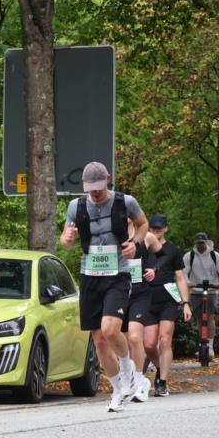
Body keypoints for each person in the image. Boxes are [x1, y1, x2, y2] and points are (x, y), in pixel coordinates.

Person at [59, 161, 149, 412]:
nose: (95, 193)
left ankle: (127, 367)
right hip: (90, 275)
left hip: (118, 274)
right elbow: (66, 241)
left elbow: (143, 224)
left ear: (108, 179)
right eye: (90, 189)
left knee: (111, 330)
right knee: (98, 341)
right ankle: (118, 390)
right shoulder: (76, 206)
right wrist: (67, 239)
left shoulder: (125, 202)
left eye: (98, 188)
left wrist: (135, 243)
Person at [143, 215, 193, 396]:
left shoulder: (172, 250)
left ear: (165, 229)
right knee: (148, 345)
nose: (156, 231)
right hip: (147, 298)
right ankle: (159, 367)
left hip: (168, 299)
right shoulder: (144, 248)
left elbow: (180, 278)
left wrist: (185, 303)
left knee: (164, 339)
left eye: (159, 228)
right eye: (153, 228)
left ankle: (162, 382)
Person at [123, 218, 160, 402]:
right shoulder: (111, 237)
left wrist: (154, 269)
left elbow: (163, 256)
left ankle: (138, 380)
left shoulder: (147, 237)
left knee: (135, 337)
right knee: (122, 345)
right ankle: (132, 381)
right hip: (119, 295)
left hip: (140, 295)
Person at [183, 232, 219, 361]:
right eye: (198, 243)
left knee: (209, 317)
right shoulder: (189, 256)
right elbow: (183, 271)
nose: (200, 245)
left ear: (206, 242)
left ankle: (210, 345)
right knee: (200, 318)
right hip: (196, 290)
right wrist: (187, 282)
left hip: (211, 289)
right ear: (195, 244)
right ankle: (202, 342)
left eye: (202, 243)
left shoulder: (215, 255)